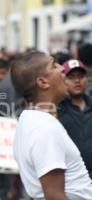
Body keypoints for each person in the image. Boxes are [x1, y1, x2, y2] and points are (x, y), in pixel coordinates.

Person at [11, 51, 92, 199]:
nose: (62, 69)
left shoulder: (31, 119)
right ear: (43, 82)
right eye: (54, 65)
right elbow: (54, 195)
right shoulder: (44, 129)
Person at [58, 59, 92, 179]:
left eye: (81, 76)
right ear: (63, 81)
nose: (77, 81)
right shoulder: (56, 110)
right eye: (71, 77)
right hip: (70, 179)